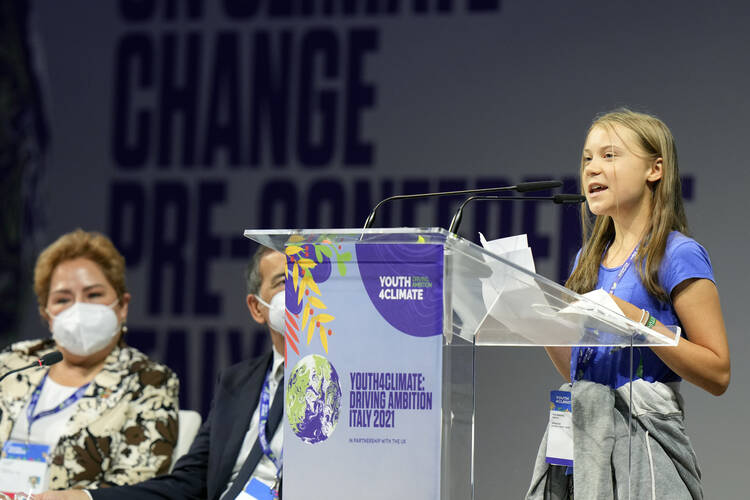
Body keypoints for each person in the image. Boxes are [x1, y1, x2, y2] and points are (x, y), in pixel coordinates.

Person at [527, 109, 730, 499]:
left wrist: (639, 322)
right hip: (585, 450)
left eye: (610, 155)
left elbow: (718, 373)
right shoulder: (588, 256)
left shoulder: (678, 255)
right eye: (587, 158)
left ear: (655, 169)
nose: (592, 169)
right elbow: (581, 369)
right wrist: (541, 326)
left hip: (647, 456)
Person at [34, 244, 287, 500]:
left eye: (311, 280)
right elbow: (186, 484)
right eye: (284, 282)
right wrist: (84, 498)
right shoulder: (238, 382)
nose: (301, 292)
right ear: (257, 308)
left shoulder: (327, 384)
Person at [0, 229, 179, 492]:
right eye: (63, 299)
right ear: (46, 314)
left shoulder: (148, 381)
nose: (79, 308)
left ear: (122, 306)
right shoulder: (14, 362)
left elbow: (138, 487)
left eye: (93, 295)